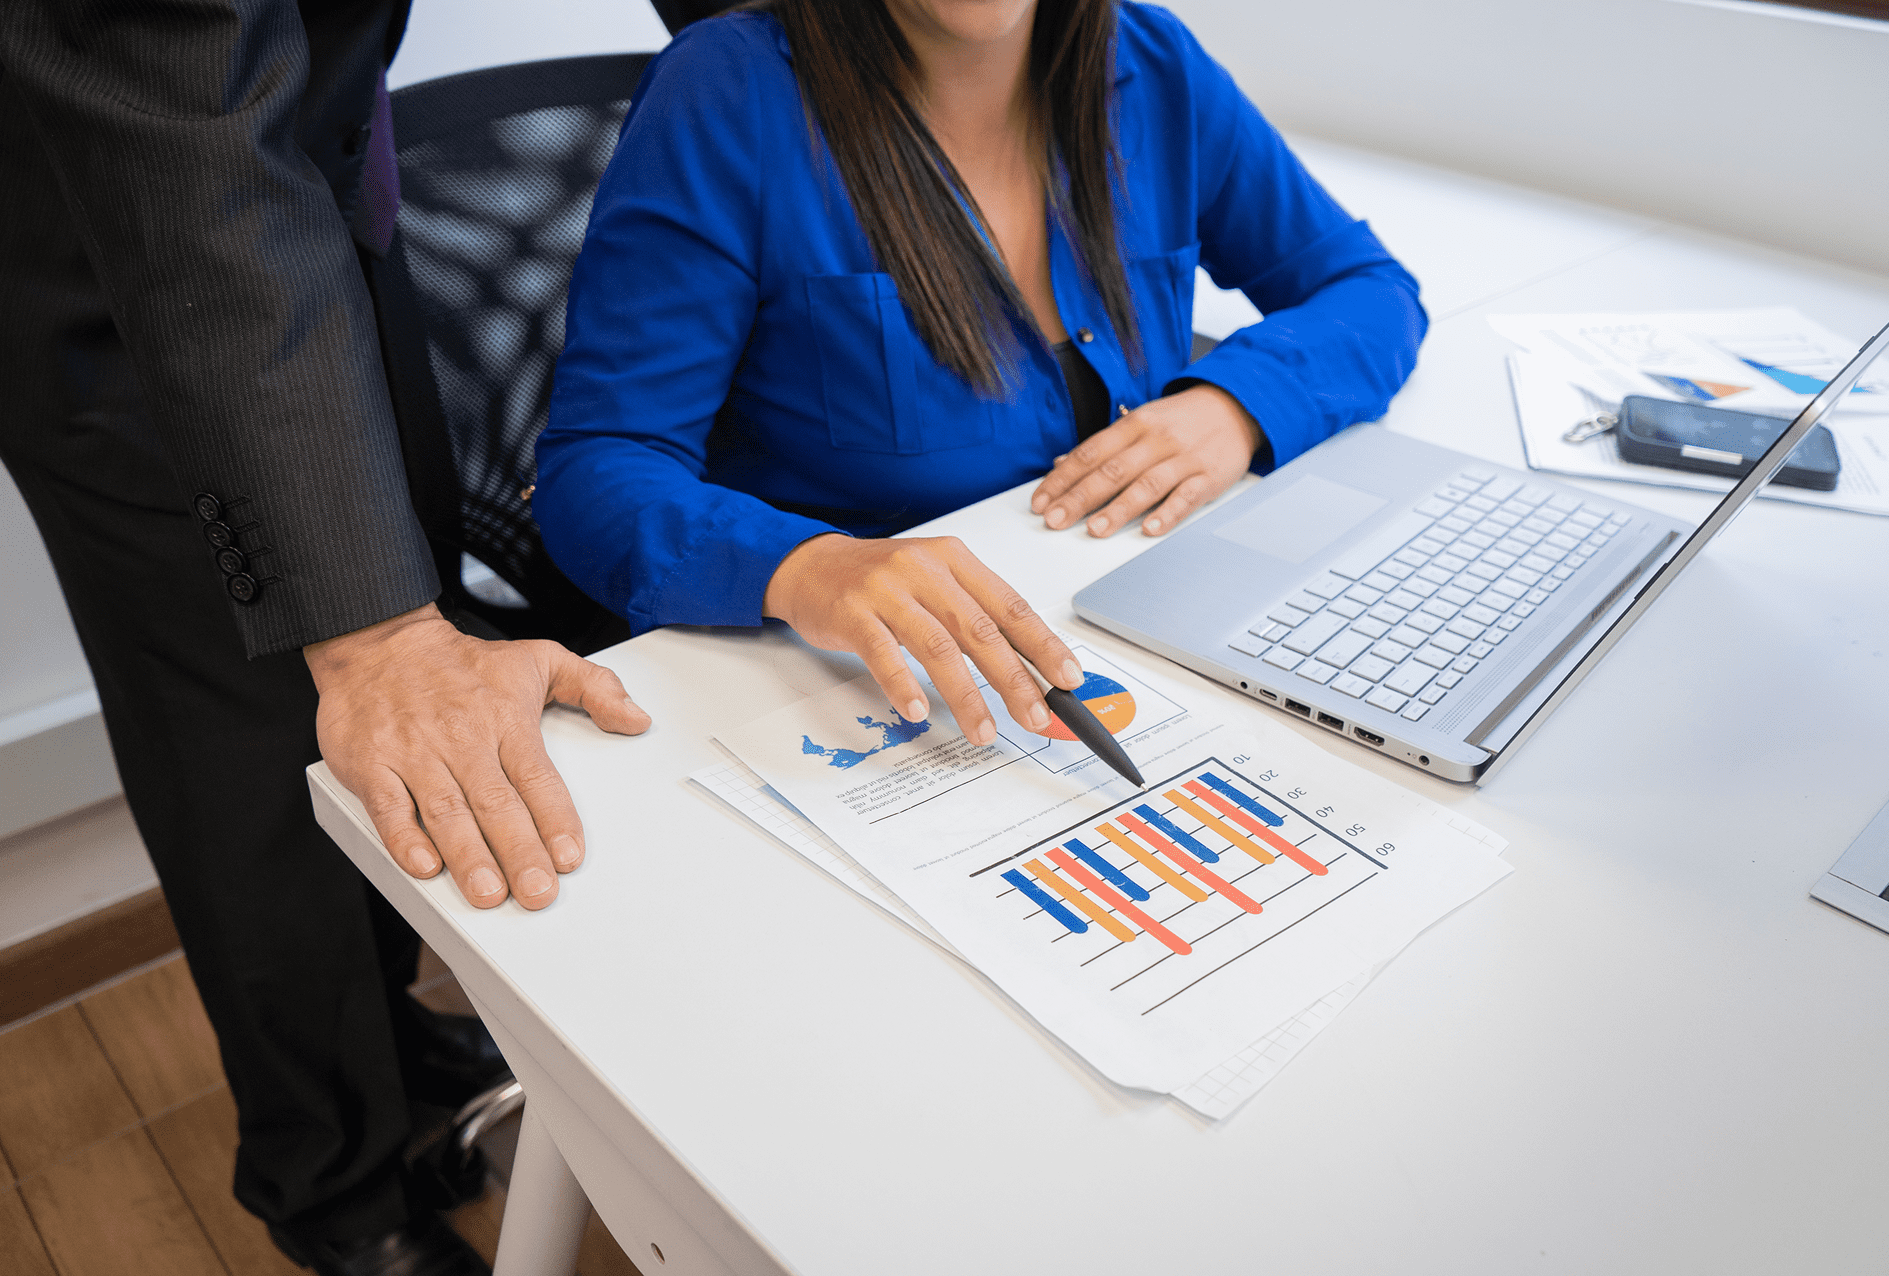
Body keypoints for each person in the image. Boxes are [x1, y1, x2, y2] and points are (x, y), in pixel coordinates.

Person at [0, 3, 652, 1272]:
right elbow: (177, 126)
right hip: (133, 263)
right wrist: (372, 637)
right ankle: (332, 1188)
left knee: (389, 648)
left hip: (323, 193)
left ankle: (390, 1055)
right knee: (250, 761)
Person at [535, 0, 1426, 734]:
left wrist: (1234, 406)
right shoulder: (728, 91)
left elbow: (1369, 290)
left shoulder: (1151, 62)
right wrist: (809, 566)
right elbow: (599, 465)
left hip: (1119, 639)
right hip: (839, 699)